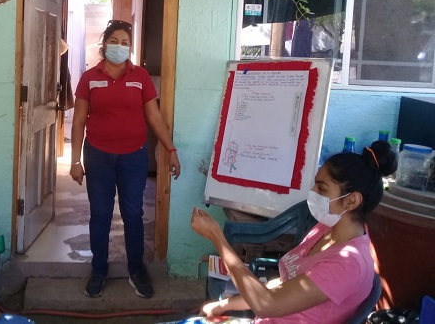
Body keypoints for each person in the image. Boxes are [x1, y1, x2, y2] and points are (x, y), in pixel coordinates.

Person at [191, 140, 396, 324]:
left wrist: (216, 236)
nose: (312, 193)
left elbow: (267, 304)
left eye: (322, 189)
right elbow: (285, 284)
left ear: (351, 200)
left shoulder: (348, 265)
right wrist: (224, 305)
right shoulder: (327, 228)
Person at [70, 19, 181, 299]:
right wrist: (75, 161)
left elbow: (154, 116)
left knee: (133, 214)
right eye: (114, 41)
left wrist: (171, 150)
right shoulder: (89, 77)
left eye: (125, 43)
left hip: (133, 157)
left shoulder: (140, 76)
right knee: (101, 215)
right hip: (98, 156)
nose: (119, 47)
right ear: (104, 44)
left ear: (130, 48)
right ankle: (98, 270)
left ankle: (136, 271)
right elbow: (78, 121)